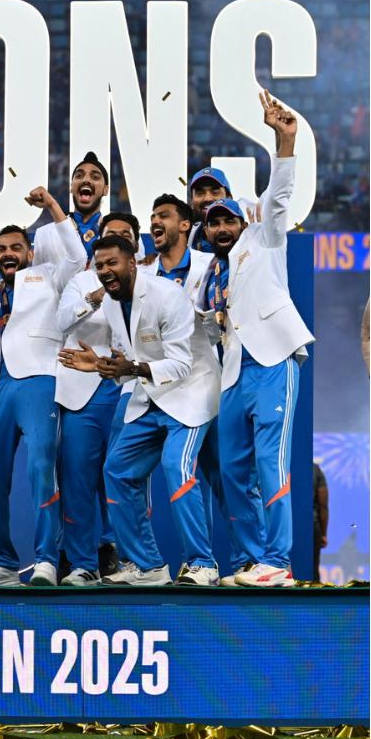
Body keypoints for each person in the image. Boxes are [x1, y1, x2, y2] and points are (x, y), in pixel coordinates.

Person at [61, 235, 219, 586]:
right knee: (117, 470)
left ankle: (203, 563)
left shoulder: (168, 296)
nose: (105, 271)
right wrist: (100, 365)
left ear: (132, 263)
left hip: (192, 392)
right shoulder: (114, 304)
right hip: (151, 394)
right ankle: (148, 566)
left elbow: (180, 365)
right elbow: (129, 360)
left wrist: (129, 369)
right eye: (99, 265)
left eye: (112, 263)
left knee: (176, 466)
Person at [202, 92, 311, 587]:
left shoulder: (263, 239)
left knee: (271, 460)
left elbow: (281, 196)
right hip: (233, 372)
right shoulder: (211, 274)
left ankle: (279, 561)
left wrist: (283, 139)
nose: (222, 227)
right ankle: (252, 561)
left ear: (242, 220)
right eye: (213, 222)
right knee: (233, 468)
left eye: (228, 219)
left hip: (272, 360)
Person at [0, 187, 86, 587]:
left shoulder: (48, 275)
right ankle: (0, 562)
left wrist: (52, 207)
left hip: (38, 380)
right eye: (1, 249)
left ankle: (47, 560)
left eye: (15, 247)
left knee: (40, 469)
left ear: (29, 252)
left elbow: (77, 256)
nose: (7, 254)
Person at [142, 193, 261, 585]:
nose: (156, 222)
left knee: (230, 476)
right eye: (153, 216)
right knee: (216, 471)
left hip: (217, 382)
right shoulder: (146, 275)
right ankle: (215, 561)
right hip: (174, 391)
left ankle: (250, 560)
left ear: (186, 224)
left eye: (164, 215)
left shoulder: (215, 263)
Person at [54, 213, 141, 585]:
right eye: (110, 237)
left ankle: (130, 562)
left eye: (125, 237)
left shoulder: (149, 284)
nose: (116, 242)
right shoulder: (82, 280)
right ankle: (81, 564)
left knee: (126, 480)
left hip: (129, 388)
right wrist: (98, 293)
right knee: (77, 481)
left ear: (134, 248)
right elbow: (61, 322)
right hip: (83, 392)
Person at [312, 462, 328, 581]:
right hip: (312, 526)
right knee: (313, 568)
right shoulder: (315, 469)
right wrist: (323, 534)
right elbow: (323, 505)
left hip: (285, 528)